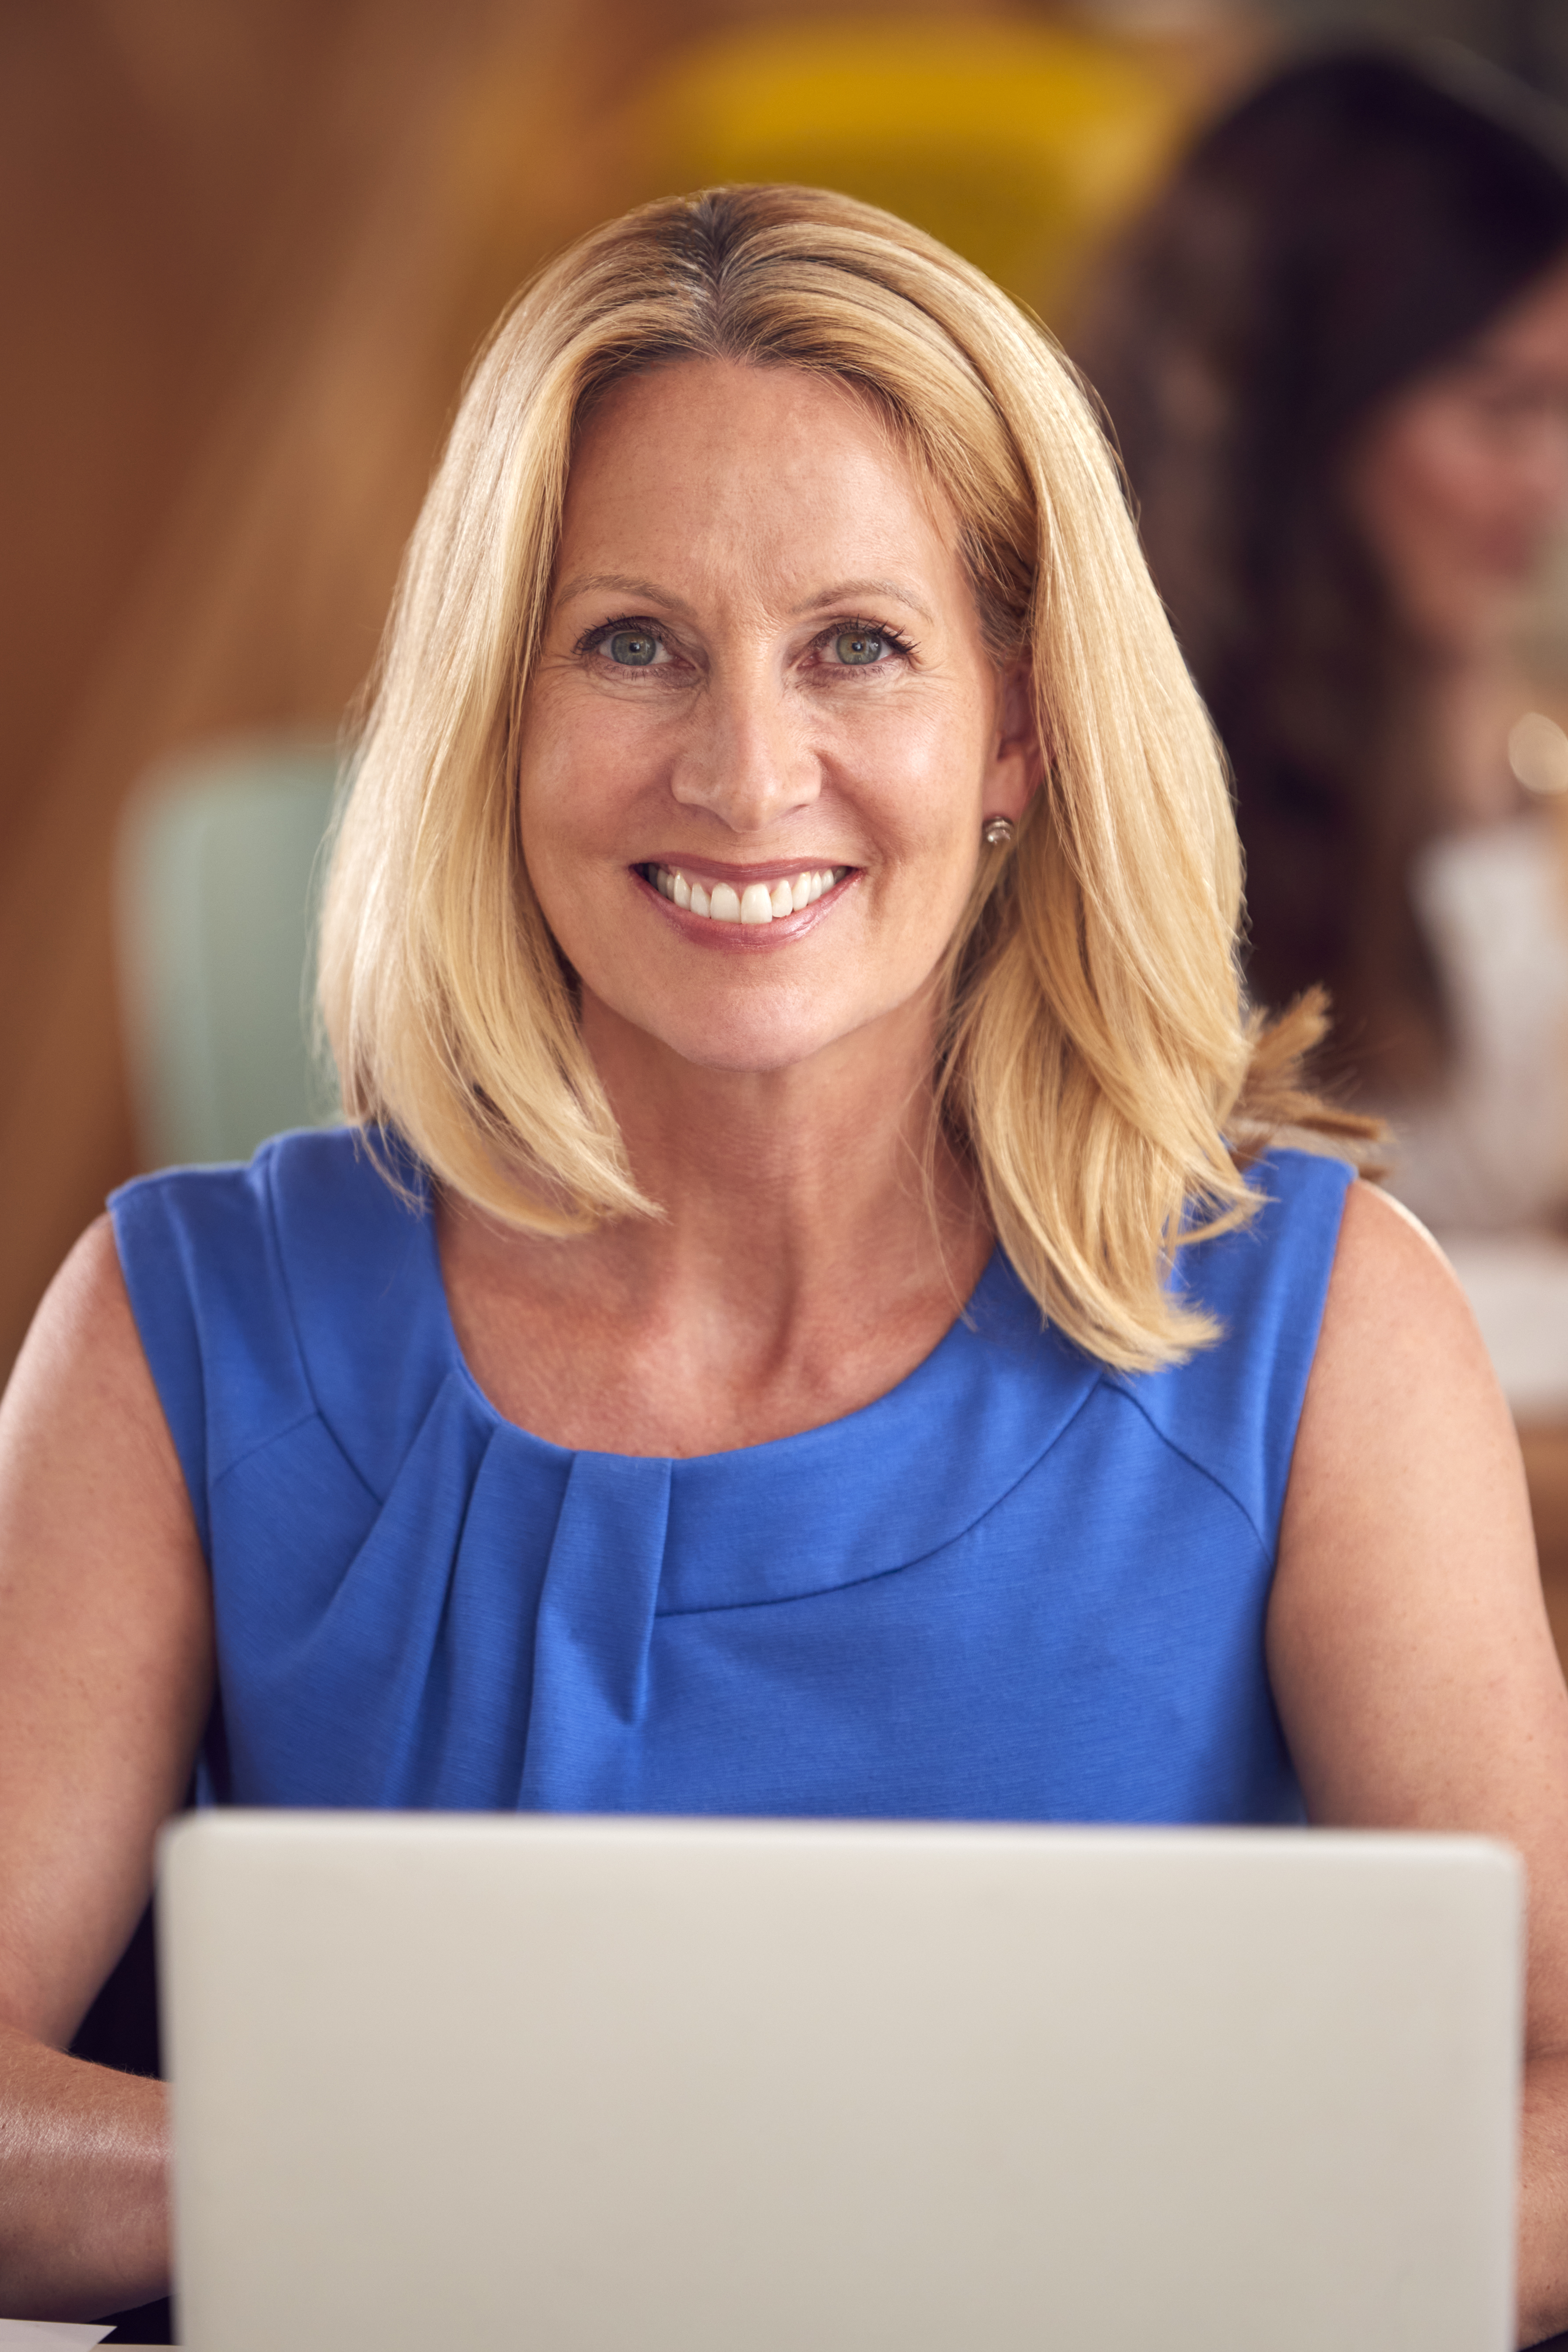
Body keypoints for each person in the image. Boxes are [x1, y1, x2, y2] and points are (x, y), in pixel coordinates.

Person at [2, 183, 1568, 2345]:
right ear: (500, 717)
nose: (750, 774)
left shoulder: (1318, 1330)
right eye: (631, 642)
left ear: (1015, 729)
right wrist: (491, 2188)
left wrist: (1031, 2251)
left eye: (861, 645)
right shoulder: (177, 1327)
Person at [1075, 44, 1568, 1234]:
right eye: (1503, 411)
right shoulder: (1080, 760)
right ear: (1299, 410)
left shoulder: (1458, 702)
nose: (1547, 485)